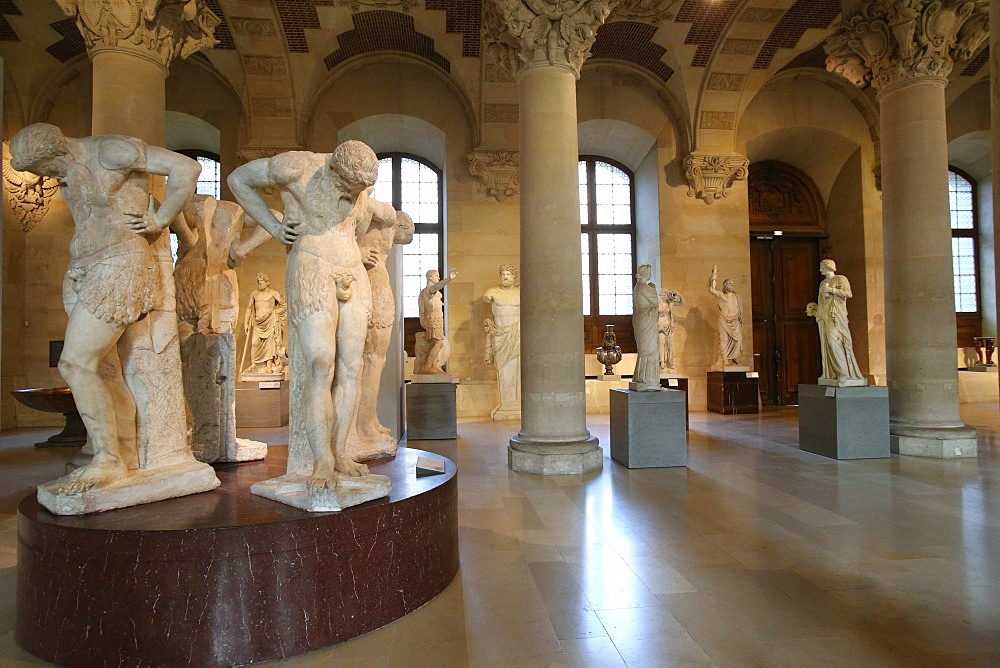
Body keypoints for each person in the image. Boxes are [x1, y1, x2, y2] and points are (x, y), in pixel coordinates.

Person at [8, 122, 201, 493]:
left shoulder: (109, 151)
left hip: (119, 266)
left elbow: (186, 168)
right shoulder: (68, 169)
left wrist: (159, 220)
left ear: (55, 152)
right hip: (83, 267)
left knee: (75, 362)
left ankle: (107, 460)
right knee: (107, 372)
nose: (48, 178)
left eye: (46, 170)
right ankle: (121, 453)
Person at [227, 140, 399, 490]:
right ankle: (321, 459)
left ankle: (340, 453)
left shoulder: (360, 189)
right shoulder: (297, 167)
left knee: (352, 369)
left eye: (361, 190)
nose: (355, 195)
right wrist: (275, 229)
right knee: (321, 365)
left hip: (352, 270)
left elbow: (364, 225)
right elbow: (238, 179)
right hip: (312, 266)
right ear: (336, 168)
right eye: (350, 187)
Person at [349, 208, 414, 458]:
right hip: (373, 290)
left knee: (375, 360)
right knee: (371, 361)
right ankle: (363, 425)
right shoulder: (380, 219)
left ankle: (369, 419)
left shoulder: (373, 220)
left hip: (377, 289)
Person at [814, 259, 866, 384]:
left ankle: (843, 372)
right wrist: (819, 315)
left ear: (828, 267)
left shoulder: (841, 279)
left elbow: (848, 294)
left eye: (822, 267)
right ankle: (833, 373)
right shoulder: (822, 283)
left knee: (835, 342)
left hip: (837, 316)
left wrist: (832, 291)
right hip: (825, 316)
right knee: (827, 344)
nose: (820, 269)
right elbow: (821, 300)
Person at [484, 264, 521, 416]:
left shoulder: (520, 293)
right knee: (503, 368)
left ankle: (517, 404)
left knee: (518, 369)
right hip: (500, 335)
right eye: (503, 274)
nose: (506, 277)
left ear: (514, 276)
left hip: (517, 333)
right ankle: (505, 405)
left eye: (509, 274)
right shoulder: (491, 292)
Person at [242, 272, 287, 375]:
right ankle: (254, 365)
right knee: (254, 343)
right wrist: (246, 323)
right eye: (258, 282)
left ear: (267, 282)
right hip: (258, 323)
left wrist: (276, 313)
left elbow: (284, 305)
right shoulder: (254, 294)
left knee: (269, 344)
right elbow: (249, 308)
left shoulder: (273, 293)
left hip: (270, 321)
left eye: (261, 282)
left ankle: (269, 366)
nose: (259, 284)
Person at [416, 267, 458, 374]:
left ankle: (433, 365)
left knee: (434, 343)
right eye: (437, 276)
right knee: (439, 342)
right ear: (430, 277)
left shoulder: (435, 292)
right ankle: (427, 365)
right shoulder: (429, 290)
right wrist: (448, 279)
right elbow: (436, 286)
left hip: (437, 320)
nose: (439, 278)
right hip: (432, 320)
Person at [631, 264, 660, 389]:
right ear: (646, 274)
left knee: (645, 349)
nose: (651, 274)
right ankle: (648, 379)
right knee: (650, 349)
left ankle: (641, 376)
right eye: (650, 272)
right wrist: (653, 288)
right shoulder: (644, 288)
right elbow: (655, 302)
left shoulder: (637, 287)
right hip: (647, 319)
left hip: (640, 319)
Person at [709, 265, 744, 366]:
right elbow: (711, 289)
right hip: (724, 320)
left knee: (738, 339)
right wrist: (713, 277)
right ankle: (725, 358)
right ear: (725, 285)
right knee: (724, 339)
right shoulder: (722, 295)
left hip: (735, 320)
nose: (731, 285)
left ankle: (734, 357)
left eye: (732, 283)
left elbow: (740, 310)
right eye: (729, 283)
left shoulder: (737, 297)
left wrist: (740, 317)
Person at [657, 289, 683, 372]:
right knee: (662, 343)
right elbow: (654, 316)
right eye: (662, 295)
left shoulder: (670, 304)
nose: (663, 297)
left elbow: (681, 303)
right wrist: (659, 326)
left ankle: (670, 362)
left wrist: (679, 295)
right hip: (660, 326)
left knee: (670, 345)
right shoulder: (658, 305)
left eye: (665, 295)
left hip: (669, 326)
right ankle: (662, 362)